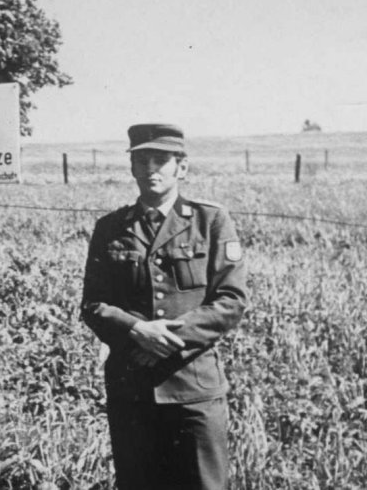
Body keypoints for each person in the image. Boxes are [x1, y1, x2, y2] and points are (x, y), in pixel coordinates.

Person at [80, 124, 249, 489]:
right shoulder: (110, 227)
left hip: (193, 388)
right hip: (132, 389)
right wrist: (137, 331)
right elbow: (93, 304)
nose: (151, 169)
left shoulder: (210, 221)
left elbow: (230, 300)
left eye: (161, 160)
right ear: (132, 167)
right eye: (142, 161)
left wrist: (166, 338)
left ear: (181, 167)